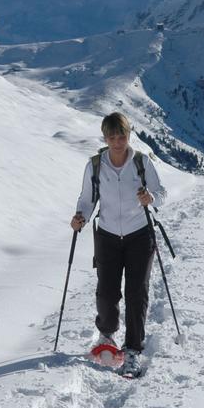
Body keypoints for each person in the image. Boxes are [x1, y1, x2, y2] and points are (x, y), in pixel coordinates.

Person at [71, 112, 166, 377]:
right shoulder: (95, 165)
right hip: (108, 235)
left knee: (137, 293)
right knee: (107, 292)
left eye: (121, 135)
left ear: (128, 134)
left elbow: (162, 194)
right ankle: (107, 334)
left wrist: (151, 198)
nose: (117, 142)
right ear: (104, 137)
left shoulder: (141, 162)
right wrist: (81, 217)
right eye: (111, 137)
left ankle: (133, 349)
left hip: (139, 233)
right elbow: (87, 199)